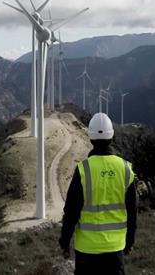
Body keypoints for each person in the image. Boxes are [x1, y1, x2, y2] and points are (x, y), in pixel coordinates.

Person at [59, 112, 137, 275]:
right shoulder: (125, 169)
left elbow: (71, 212)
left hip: (87, 251)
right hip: (115, 250)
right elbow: (132, 211)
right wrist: (129, 241)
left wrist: (64, 243)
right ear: (112, 136)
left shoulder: (84, 170)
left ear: (91, 138)